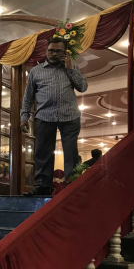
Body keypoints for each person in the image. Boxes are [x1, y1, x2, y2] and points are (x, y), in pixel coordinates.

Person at [20, 37, 88, 196]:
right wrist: (24, 116)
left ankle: (72, 186)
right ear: (46, 51)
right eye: (51, 50)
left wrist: (70, 68)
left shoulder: (72, 68)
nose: (53, 54)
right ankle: (42, 187)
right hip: (44, 116)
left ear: (65, 53)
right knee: (42, 152)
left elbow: (83, 87)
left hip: (70, 116)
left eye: (58, 51)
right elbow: (28, 96)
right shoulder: (36, 71)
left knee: (70, 152)